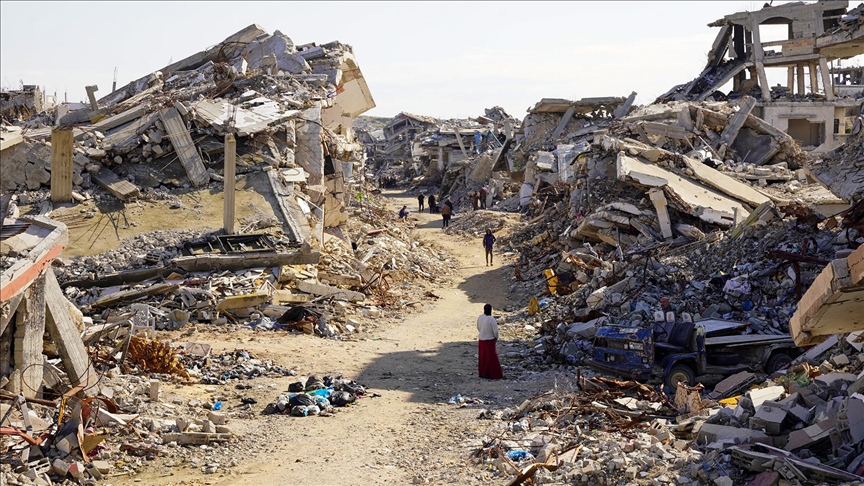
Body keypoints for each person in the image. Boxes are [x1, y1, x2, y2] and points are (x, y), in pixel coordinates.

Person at [477, 304, 503, 380]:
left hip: (481, 339)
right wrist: (496, 338)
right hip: (490, 340)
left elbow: (478, 327)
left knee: (483, 357)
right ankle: (494, 374)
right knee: (492, 357)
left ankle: (483, 373)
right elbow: (496, 331)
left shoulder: (480, 317)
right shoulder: (491, 319)